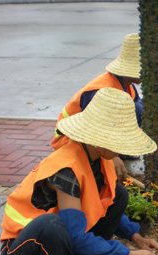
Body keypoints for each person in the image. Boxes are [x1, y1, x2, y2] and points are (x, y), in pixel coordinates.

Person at [0, 87, 158, 255]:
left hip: (57, 237)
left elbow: (104, 203)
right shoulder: (67, 168)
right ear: (100, 139)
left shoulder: (99, 157)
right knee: (50, 225)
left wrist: (136, 237)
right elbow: (76, 238)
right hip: (21, 250)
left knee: (119, 194)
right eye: (120, 141)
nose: (124, 150)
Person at [51, 33, 143, 180]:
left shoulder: (128, 86)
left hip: (97, 140)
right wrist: (110, 158)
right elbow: (90, 132)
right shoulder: (101, 91)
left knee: (137, 108)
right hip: (70, 140)